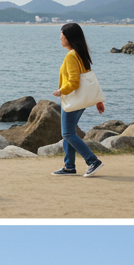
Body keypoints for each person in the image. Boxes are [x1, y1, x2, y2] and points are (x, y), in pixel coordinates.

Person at [51, 23, 106, 177]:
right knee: (68, 133)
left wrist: (60, 91)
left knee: (68, 133)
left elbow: (74, 82)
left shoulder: (71, 55)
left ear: (68, 37)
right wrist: (97, 100)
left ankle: (92, 161)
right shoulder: (80, 53)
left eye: (61, 35)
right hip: (80, 100)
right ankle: (69, 166)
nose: (60, 38)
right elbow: (89, 80)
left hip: (72, 99)